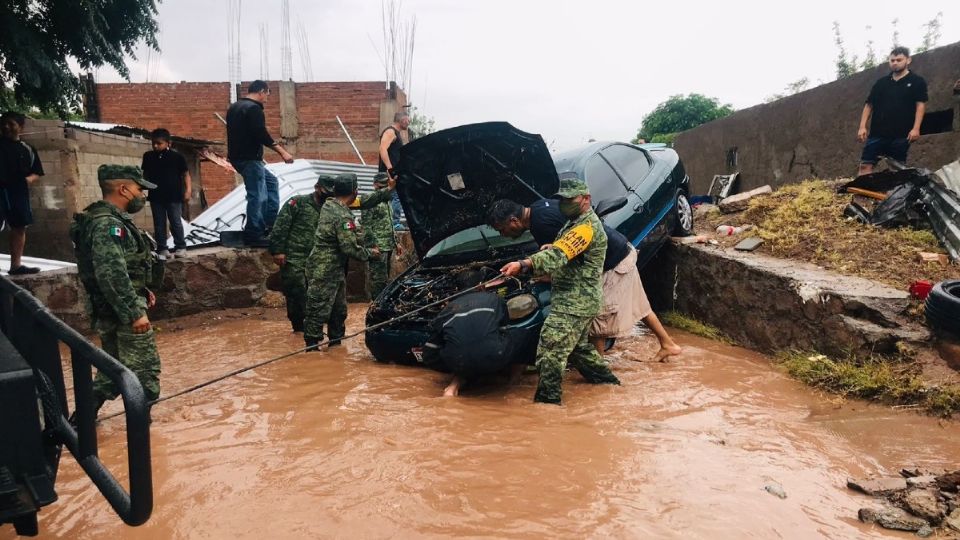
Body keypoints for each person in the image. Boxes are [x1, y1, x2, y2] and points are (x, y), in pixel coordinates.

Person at [488, 198, 682, 361]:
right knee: (640, 306)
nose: (502, 234)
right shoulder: (539, 207)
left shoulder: (541, 225)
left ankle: (597, 371)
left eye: (502, 229)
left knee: (597, 319)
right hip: (621, 249)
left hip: (611, 263)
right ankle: (668, 344)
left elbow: (566, 256)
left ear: (513, 220)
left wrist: (539, 272)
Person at [500, 177, 620, 405]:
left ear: (586, 199)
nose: (564, 204)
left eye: (570, 199)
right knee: (578, 350)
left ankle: (547, 405)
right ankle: (609, 386)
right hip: (576, 299)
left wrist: (524, 264)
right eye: (561, 200)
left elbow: (558, 256)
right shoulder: (574, 221)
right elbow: (564, 247)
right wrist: (552, 246)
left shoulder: (585, 227)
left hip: (576, 302)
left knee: (549, 351)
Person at [70, 165, 164, 414]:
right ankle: (144, 438)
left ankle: (79, 424)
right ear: (124, 189)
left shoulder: (103, 220)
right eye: (139, 189)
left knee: (112, 372)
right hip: (122, 313)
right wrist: (134, 312)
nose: (142, 195)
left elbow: (123, 268)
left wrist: (142, 290)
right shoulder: (108, 225)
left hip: (113, 308)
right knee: (145, 374)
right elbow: (110, 274)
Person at [302, 173, 394, 350]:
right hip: (324, 269)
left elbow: (366, 202)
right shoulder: (342, 216)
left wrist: (389, 189)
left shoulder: (331, 204)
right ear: (354, 191)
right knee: (318, 309)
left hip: (333, 268)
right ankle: (311, 349)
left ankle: (335, 346)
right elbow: (349, 248)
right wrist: (371, 253)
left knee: (338, 311)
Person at [226, 80, 294, 247]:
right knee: (258, 195)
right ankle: (254, 234)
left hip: (238, 157)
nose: (266, 99)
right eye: (267, 95)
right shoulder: (253, 108)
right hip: (250, 159)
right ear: (262, 91)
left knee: (271, 183)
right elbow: (260, 133)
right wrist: (282, 152)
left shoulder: (234, 107)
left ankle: (269, 225)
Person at [422, 291, 521, 397]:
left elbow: (430, 351)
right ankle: (513, 382)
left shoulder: (446, 310)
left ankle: (453, 386)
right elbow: (505, 325)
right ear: (480, 287)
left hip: (459, 360)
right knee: (521, 333)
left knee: (461, 354)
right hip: (493, 354)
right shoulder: (494, 298)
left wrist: (446, 364)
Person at [269, 175, 334, 332]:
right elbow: (280, 226)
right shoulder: (297, 202)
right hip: (294, 257)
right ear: (317, 188)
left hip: (318, 259)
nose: (328, 194)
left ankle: (312, 328)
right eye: (325, 191)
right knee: (296, 292)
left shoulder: (331, 207)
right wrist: (278, 251)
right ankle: (299, 328)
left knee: (317, 294)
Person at [857, 47, 928, 176]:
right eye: (892, 60)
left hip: (901, 135)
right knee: (865, 165)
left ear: (908, 60)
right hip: (877, 133)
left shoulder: (917, 81)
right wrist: (862, 126)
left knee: (896, 170)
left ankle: (893, 195)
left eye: (899, 60)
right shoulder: (881, 83)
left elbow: (920, 106)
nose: (895, 63)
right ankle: (863, 195)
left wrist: (916, 128)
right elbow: (869, 105)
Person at [0, 111, 43, 275]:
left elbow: (36, 172)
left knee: (19, 227)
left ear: (21, 128)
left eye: (11, 124)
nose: (6, 127)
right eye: (3, 123)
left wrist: (27, 180)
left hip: (18, 192)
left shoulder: (28, 149)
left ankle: (16, 266)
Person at [141, 128, 191, 258]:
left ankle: (180, 247)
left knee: (175, 222)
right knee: (159, 223)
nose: (156, 146)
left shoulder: (177, 157)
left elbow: (186, 174)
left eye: (159, 143)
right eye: (153, 143)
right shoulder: (148, 157)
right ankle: (162, 249)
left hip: (174, 196)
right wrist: (140, 190)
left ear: (169, 143)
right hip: (156, 197)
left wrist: (188, 190)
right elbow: (144, 175)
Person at [362, 172, 395, 299]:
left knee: (385, 278)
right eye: (381, 186)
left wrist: (396, 242)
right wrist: (372, 246)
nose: (384, 188)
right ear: (375, 185)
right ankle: (376, 304)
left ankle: (382, 302)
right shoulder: (370, 201)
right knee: (378, 280)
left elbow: (390, 223)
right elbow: (366, 226)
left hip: (388, 245)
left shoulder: (387, 202)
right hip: (378, 247)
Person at [378, 110, 410, 230]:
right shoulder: (391, 131)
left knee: (390, 198)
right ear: (402, 120)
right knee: (396, 197)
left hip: (393, 173)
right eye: (408, 120)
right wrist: (390, 169)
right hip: (389, 173)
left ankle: (389, 223)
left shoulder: (396, 133)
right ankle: (394, 223)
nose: (409, 122)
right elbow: (382, 149)